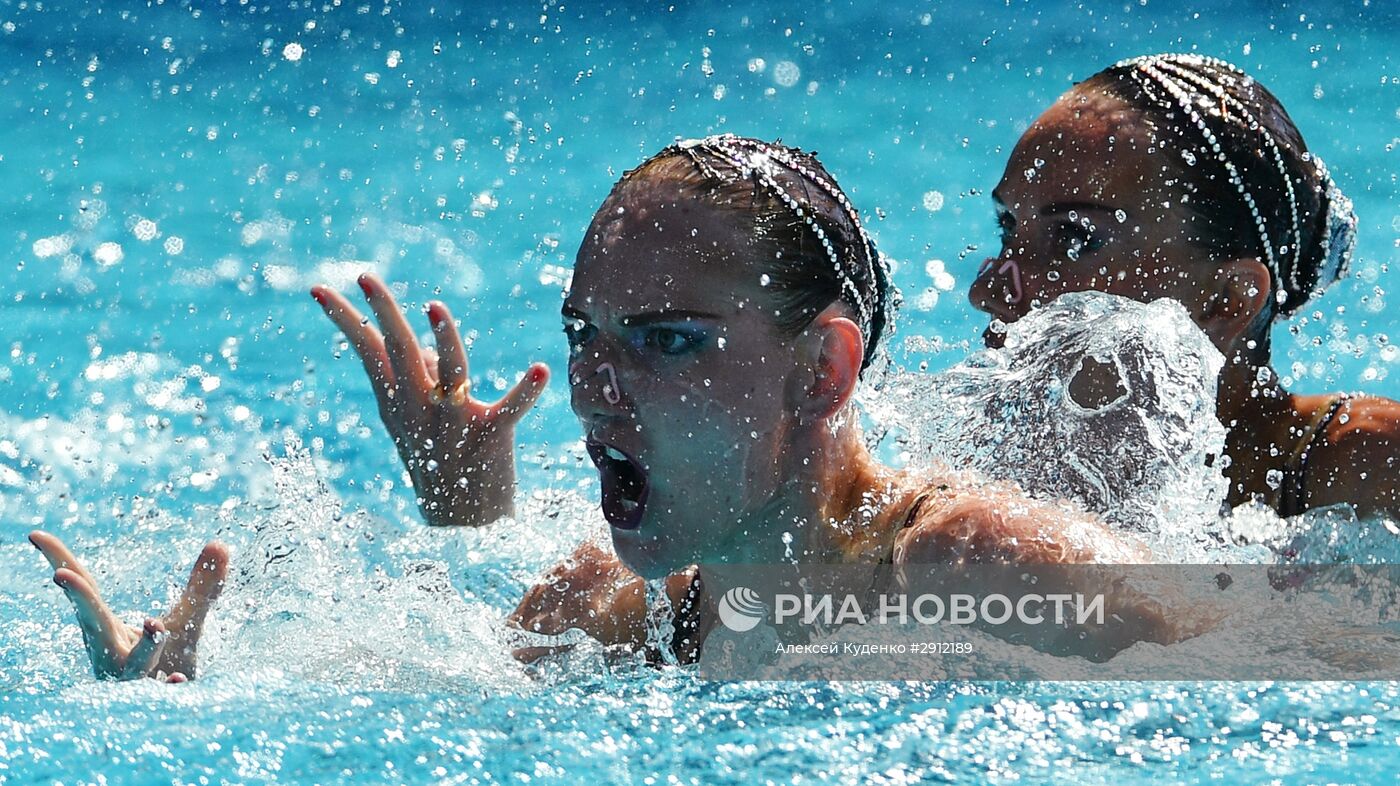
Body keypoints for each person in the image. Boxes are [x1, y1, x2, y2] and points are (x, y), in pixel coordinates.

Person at [33, 135, 1160, 680]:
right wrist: (178, 698)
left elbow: (1302, 673)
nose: (593, 388)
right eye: (584, 336)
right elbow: (425, 695)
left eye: (668, 341)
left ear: (819, 371)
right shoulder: (617, 607)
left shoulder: (975, 566)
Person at [969, 53, 1400, 519]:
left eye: (1074, 238)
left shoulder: (1365, 469)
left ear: (1228, 300)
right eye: (1007, 229)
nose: (988, 291)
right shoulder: (1009, 473)